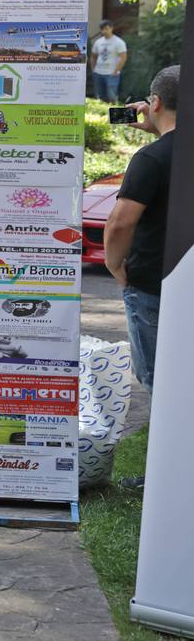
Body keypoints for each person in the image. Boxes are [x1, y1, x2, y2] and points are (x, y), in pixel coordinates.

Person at [105, 65, 179, 398]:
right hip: (184, 276)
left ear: (157, 102)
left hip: (151, 281)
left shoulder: (151, 158)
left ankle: (165, 448)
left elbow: (122, 221)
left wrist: (114, 264)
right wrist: (158, 130)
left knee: (155, 377)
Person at [89, 20, 127, 103]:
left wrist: (116, 71)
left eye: (106, 29)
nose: (104, 31)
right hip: (98, 72)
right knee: (99, 97)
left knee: (112, 96)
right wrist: (93, 69)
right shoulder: (98, 42)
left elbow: (123, 57)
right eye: (102, 29)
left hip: (111, 73)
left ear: (111, 28)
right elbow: (93, 56)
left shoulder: (118, 42)